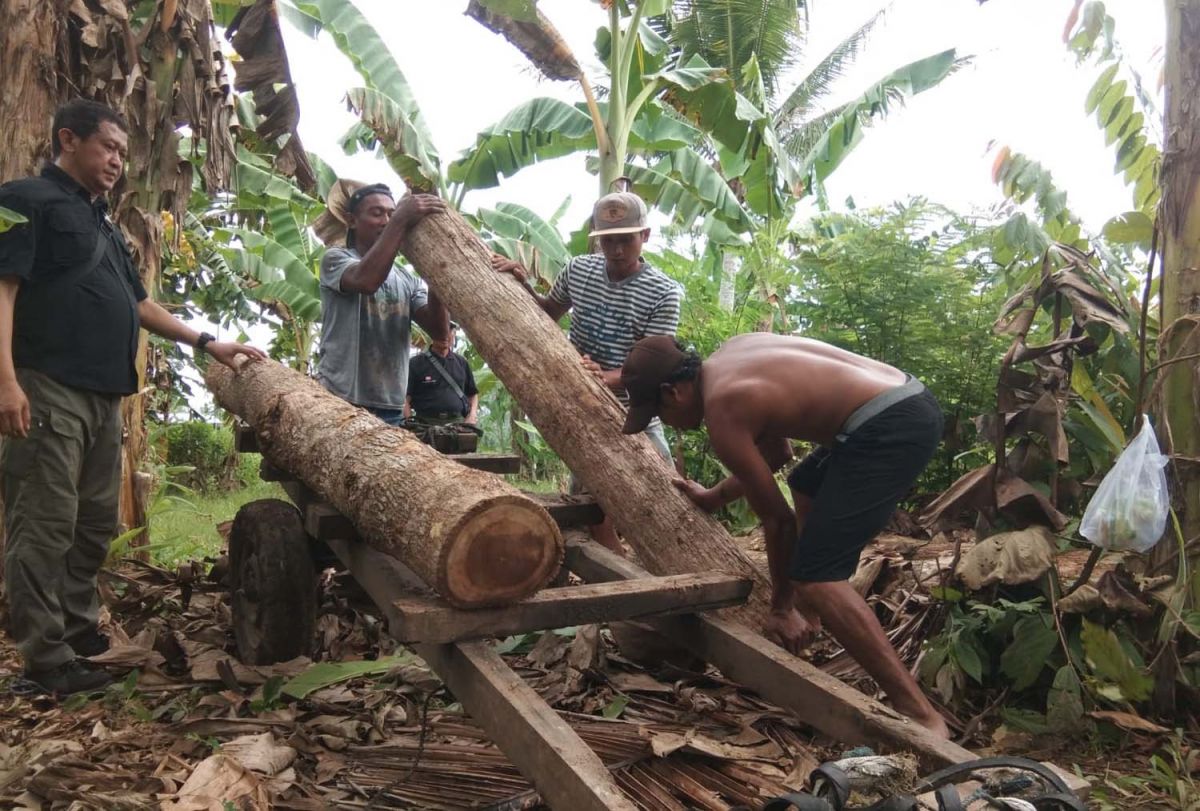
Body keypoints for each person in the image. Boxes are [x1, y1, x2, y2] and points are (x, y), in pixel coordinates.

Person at [0, 99, 267, 695]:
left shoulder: (102, 223)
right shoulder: (25, 200)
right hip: (48, 387)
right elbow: (4, 289)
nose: (118, 160)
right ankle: (45, 660)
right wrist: (6, 381)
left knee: (93, 524)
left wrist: (209, 341)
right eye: (108, 147)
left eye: (123, 151)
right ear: (68, 140)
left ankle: (78, 631)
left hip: (105, 395)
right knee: (43, 524)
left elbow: (139, 305)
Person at [619, 332, 950, 737]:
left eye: (658, 412)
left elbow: (778, 521)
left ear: (673, 392)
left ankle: (921, 716)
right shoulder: (731, 357)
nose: (667, 423)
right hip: (905, 399)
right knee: (805, 483)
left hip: (891, 427)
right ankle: (816, 615)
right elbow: (778, 454)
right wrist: (713, 497)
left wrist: (780, 605)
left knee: (816, 578)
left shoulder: (723, 408)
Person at [491, 189, 680, 553]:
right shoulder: (579, 270)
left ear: (645, 235)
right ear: (597, 239)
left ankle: (670, 559)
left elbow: (654, 364)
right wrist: (520, 283)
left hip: (634, 408)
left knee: (664, 491)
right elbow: (548, 313)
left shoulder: (663, 292)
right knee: (592, 507)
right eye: (608, 241)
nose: (617, 250)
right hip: (582, 403)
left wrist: (606, 377)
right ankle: (614, 568)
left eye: (626, 240)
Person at [314, 181, 449, 427]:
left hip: (391, 408)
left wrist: (436, 272)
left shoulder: (407, 278)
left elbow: (440, 332)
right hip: (341, 400)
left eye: (391, 214)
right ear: (352, 220)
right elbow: (366, 281)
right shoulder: (336, 259)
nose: (386, 221)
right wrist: (401, 220)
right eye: (377, 213)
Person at [404, 322, 478, 426]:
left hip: (457, 424)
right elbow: (405, 399)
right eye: (441, 331)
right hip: (425, 424)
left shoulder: (462, 363)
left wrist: (472, 415)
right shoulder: (415, 363)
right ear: (432, 334)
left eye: (449, 332)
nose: (445, 336)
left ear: (454, 334)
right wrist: (410, 424)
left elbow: (473, 394)